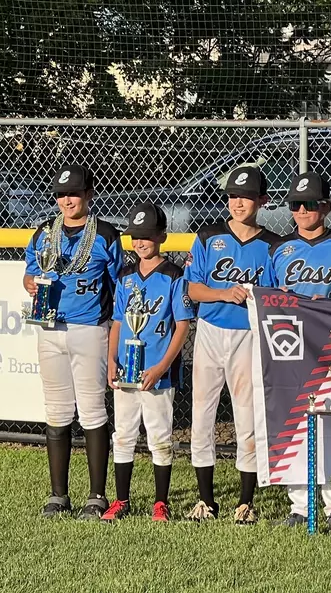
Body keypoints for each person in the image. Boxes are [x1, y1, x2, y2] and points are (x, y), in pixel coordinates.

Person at [264, 171, 331, 527]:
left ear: (326, 206)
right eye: (295, 204)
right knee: (291, 419)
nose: (302, 211)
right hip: (288, 345)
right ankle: (299, 505)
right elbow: (264, 296)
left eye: (309, 204)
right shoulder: (279, 248)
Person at [184, 166, 283, 525]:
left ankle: (245, 501)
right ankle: (205, 500)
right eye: (233, 196)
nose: (238, 202)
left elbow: (277, 294)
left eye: (246, 196)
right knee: (202, 414)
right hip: (210, 330)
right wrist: (224, 292)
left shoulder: (273, 245)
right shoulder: (209, 236)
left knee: (247, 416)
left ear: (262, 200)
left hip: (248, 335)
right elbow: (193, 288)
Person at [24, 165, 123, 520]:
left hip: (90, 328)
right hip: (50, 328)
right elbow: (28, 273)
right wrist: (30, 284)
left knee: (93, 410)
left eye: (75, 193)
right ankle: (58, 495)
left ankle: (97, 495)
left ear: (89, 194)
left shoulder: (106, 235)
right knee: (56, 409)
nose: (68, 199)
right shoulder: (43, 234)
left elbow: (119, 286)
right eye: (63, 194)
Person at [102, 203, 194, 523]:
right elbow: (116, 322)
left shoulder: (173, 275)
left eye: (147, 236)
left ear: (162, 237)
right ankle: (121, 500)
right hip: (127, 370)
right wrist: (111, 360)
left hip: (158, 372)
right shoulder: (126, 276)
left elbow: (182, 325)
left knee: (159, 436)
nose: (140, 242)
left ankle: (160, 502)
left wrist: (161, 366)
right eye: (135, 237)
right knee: (124, 434)